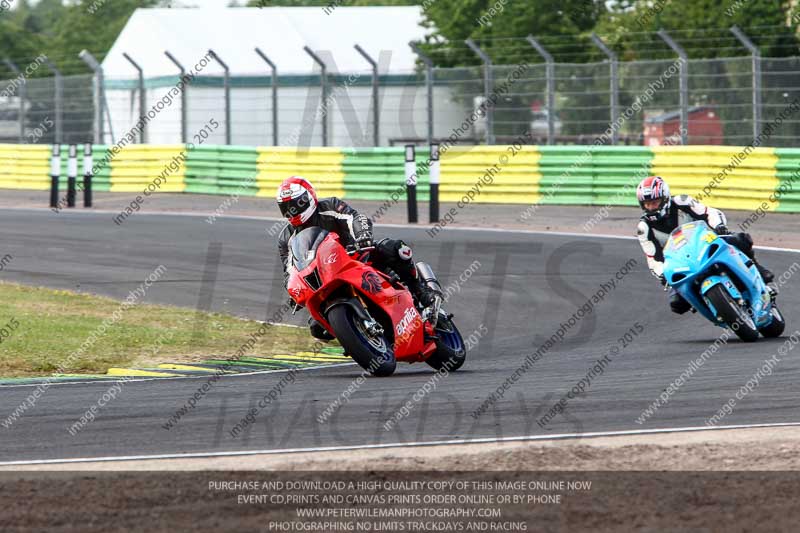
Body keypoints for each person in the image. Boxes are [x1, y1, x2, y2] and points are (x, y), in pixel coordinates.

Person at [276, 176, 441, 340]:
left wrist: (363, 236)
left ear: (309, 197)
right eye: (286, 207)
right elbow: (289, 270)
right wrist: (294, 292)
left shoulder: (330, 206)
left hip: (356, 257)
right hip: (325, 279)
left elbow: (355, 218)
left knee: (395, 249)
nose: (293, 211)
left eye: (296, 204)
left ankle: (423, 293)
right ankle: (359, 338)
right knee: (317, 328)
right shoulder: (286, 238)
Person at [635, 175, 774, 315]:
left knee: (740, 239)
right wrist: (663, 275)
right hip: (680, 261)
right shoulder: (643, 228)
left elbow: (709, 213)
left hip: (705, 241)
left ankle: (757, 268)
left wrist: (718, 226)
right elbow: (653, 258)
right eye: (648, 204)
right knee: (677, 304)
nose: (652, 207)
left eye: (655, 202)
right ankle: (712, 307)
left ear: (665, 198)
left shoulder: (682, 202)